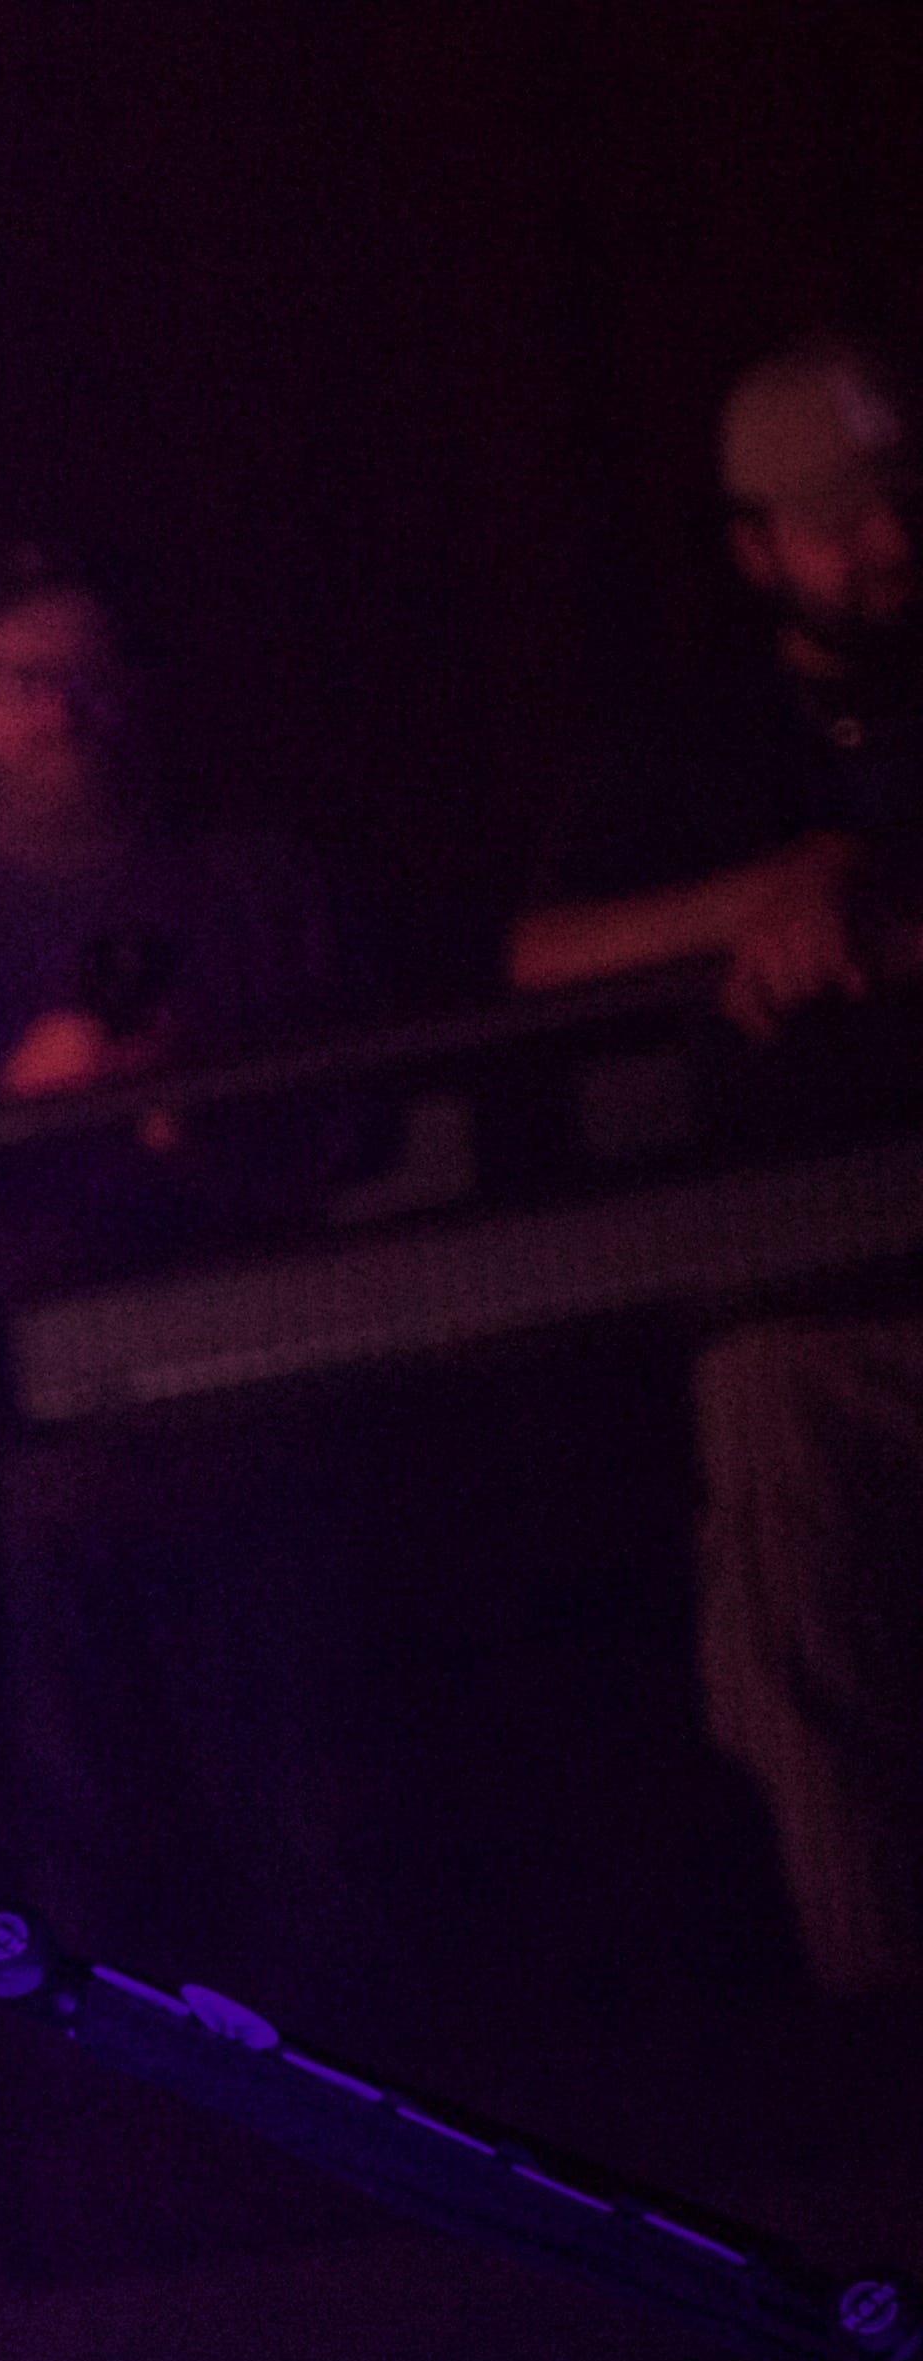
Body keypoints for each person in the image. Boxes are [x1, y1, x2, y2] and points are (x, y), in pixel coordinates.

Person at [0, 547, 377, 2001]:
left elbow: (369, 1129)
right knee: (78, 1860)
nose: (60, 710)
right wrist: (19, 1103)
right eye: (22, 680)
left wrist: (205, 1110)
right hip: (26, 1471)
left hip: (259, 1421)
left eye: (87, 675)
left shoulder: (255, 887)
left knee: (305, 1841)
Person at [511, 332, 923, 2000]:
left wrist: (871, 914)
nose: (888, 541)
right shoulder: (699, 741)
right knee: (799, 1657)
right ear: (756, 549)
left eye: (903, 498)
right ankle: (884, 2062)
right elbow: (541, 953)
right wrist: (759, 897)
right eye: (839, 519)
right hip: (800, 1303)